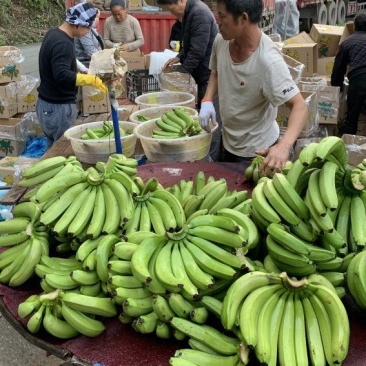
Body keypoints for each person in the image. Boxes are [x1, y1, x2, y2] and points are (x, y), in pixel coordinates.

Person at [198, 0, 307, 175]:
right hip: (228, 143)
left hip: (256, 153)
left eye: (222, 16)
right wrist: (208, 99)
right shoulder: (221, 40)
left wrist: (284, 146)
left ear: (243, 18)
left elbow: (299, 106)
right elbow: (216, 72)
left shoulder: (268, 62)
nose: (217, 21)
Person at [36, 1, 108, 150]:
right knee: (62, 151)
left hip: (46, 104)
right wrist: (90, 79)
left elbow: (62, 62)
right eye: (87, 27)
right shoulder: (63, 43)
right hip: (58, 107)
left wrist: (82, 69)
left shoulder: (54, 33)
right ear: (76, 24)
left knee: (52, 150)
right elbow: (61, 75)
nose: (88, 31)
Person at [157, 0, 222, 161]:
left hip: (209, 76)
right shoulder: (188, 13)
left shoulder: (198, 12)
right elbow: (189, 44)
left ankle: (212, 161)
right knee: (204, 115)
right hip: (201, 75)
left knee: (211, 122)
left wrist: (184, 75)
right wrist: (178, 57)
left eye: (171, 10)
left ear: (181, 0)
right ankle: (205, 154)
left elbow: (198, 50)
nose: (172, 14)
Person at [331, 12, 366, 137]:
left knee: (352, 117)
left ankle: (346, 146)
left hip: (358, 80)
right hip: (359, 77)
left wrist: (337, 87)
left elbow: (338, 69)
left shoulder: (347, 42)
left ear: (355, 27)